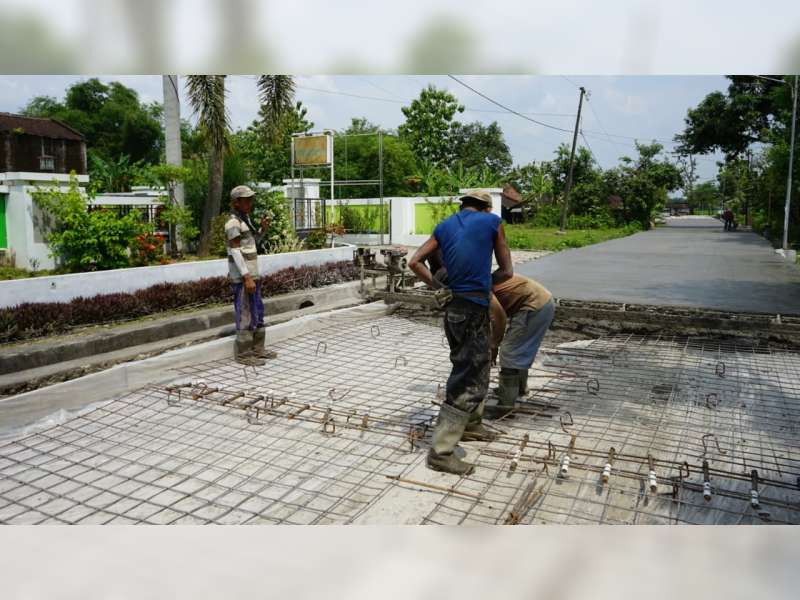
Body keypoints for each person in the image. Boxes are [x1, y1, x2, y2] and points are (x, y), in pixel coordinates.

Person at [409, 191, 513, 475]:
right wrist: (483, 283)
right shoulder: (493, 222)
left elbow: (414, 262)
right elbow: (507, 270)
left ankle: (471, 426)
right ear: (486, 207)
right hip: (473, 309)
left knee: (471, 366)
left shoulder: (444, 226)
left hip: (453, 310)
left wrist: (440, 288)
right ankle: (441, 452)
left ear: (463, 206)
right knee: (470, 378)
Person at [485, 275, 555, 419]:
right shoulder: (477, 276)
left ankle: (505, 407)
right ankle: (519, 389)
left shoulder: (478, 286)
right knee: (519, 349)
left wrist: (494, 345)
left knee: (509, 351)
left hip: (535, 305)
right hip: (542, 301)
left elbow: (499, 318)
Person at [225, 185, 278, 366]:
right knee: (245, 313)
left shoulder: (244, 220)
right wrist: (246, 277)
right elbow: (235, 251)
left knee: (257, 311)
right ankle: (244, 354)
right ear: (236, 202)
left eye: (251, 199)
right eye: (246, 200)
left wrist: (262, 230)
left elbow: (252, 244)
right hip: (243, 277)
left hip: (252, 274)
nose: (250, 203)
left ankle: (258, 349)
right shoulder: (233, 222)